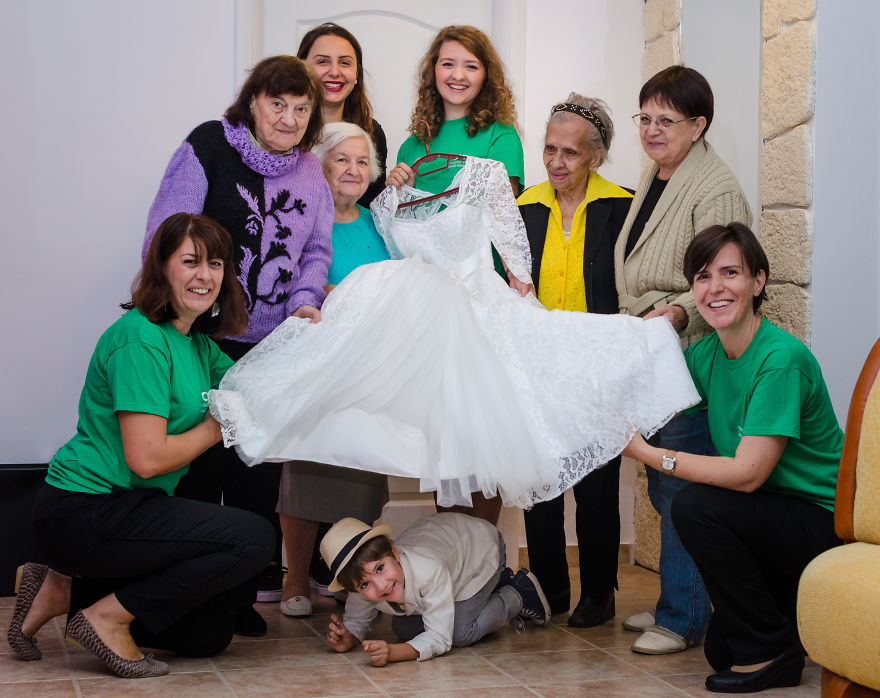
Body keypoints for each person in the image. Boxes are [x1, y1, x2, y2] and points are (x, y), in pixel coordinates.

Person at [209, 154, 700, 512]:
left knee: (513, 410)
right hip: (425, 318)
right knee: (397, 412)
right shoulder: (388, 202)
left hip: (474, 303)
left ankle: (646, 343)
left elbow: (516, 260)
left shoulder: (485, 176)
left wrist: (523, 304)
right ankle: (253, 406)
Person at [6, 214, 274, 679]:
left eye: (215, 264)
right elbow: (146, 459)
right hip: (83, 511)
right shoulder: (141, 340)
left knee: (207, 633)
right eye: (190, 261)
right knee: (254, 538)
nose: (205, 275)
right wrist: (215, 428)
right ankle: (103, 618)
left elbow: (251, 387)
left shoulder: (195, 344)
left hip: (132, 506)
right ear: (162, 268)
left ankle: (61, 591)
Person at [143, 55, 334, 628]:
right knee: (198, 473)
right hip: (203, 336)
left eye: (302, 108)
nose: (289, 118)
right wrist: (180, 308)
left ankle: (239, 598)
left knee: (255, 476)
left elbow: (317, 252)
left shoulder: (309, 172)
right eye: (277, 103)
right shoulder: (209, 145)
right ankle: (188, 597)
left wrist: (306, 299)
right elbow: (167, 231)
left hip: (271, 348)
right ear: (253, 101)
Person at [623, 223, 843, 693]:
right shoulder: (706, 355)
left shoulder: (779, 359)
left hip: (822, 521)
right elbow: (647, 395)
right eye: (702, 276)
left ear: (758, 282)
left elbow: (747, 474)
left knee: (695, 505)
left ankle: (772, 652)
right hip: (771, 516)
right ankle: (785, 631)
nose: (715, 288)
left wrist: (649, 454)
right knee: (721, 650)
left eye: (730, 273)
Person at [615, 65, 752, 655]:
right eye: (644, 118)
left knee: (681, 489)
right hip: (652, 351)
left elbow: (722, 283)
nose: (651, 129)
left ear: (698, 125)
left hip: (688, 355)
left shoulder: (714, 187)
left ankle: (684, 617)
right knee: (661, 483)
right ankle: (681, 600)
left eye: (665, 120)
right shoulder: (659, 174)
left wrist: (674, 313)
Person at [386, 24, 524, 523]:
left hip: (478, 297)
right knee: (440, 434)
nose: (458, 75)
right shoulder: (410, 147)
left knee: (480, 433)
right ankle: (450, 550)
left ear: (486, 75)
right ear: (433, 72)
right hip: (426, 306)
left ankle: (480, 556)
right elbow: (398, 229)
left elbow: (504, 215)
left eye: (470, 64)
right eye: (448, 63)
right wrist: (395, 188)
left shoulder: (501, 137)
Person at [517, 95, 632, 626]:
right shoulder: (524, 206)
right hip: (538, 364)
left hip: (597, 365)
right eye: (549, 150)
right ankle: (548, 589)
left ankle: (598, 593)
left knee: (596, 486)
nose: (557, 163)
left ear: (596, 157)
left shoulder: (625, 206)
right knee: (541, 483)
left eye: (570, 153)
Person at [274, 121, 391, 618]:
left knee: (364, 472)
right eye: (342, 159)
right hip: (319, 365)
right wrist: (334, 298)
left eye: (362, 161)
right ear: (319, 165)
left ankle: (350, 578)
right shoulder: (303, 216)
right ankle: (295, 580)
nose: (354, 170)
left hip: (372, 367)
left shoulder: (380, 222)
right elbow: (287, 280)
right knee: (305, 473)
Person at [320, 514, 550, 665]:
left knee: (459, 632)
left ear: (394, 551)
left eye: (380, 568)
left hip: (478, 551)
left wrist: (393, 652)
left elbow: (440, 638)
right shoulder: (363, 582)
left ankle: (518, 592)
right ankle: (491, 592)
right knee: (403, 626)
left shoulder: (428, 570)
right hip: (442, 538)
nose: (381, 586)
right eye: (364, 585)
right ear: (354, 588)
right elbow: (357, 619)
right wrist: (349, 637)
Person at [297, 22, 388, 207]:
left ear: (356, 73)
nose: (334, 72)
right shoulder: (286, 129)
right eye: (322, 61)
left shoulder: (371, 132)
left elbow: (373, 207)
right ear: (302, 68)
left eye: (344, 63)